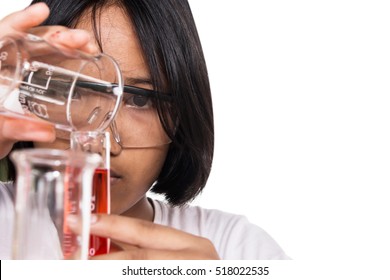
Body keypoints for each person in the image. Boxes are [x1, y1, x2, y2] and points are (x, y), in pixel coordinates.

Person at [0, 0, 289, 260]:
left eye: (140, 100)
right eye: (72, 92)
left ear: (180, 116)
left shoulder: (238, 248)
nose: (102, 144)